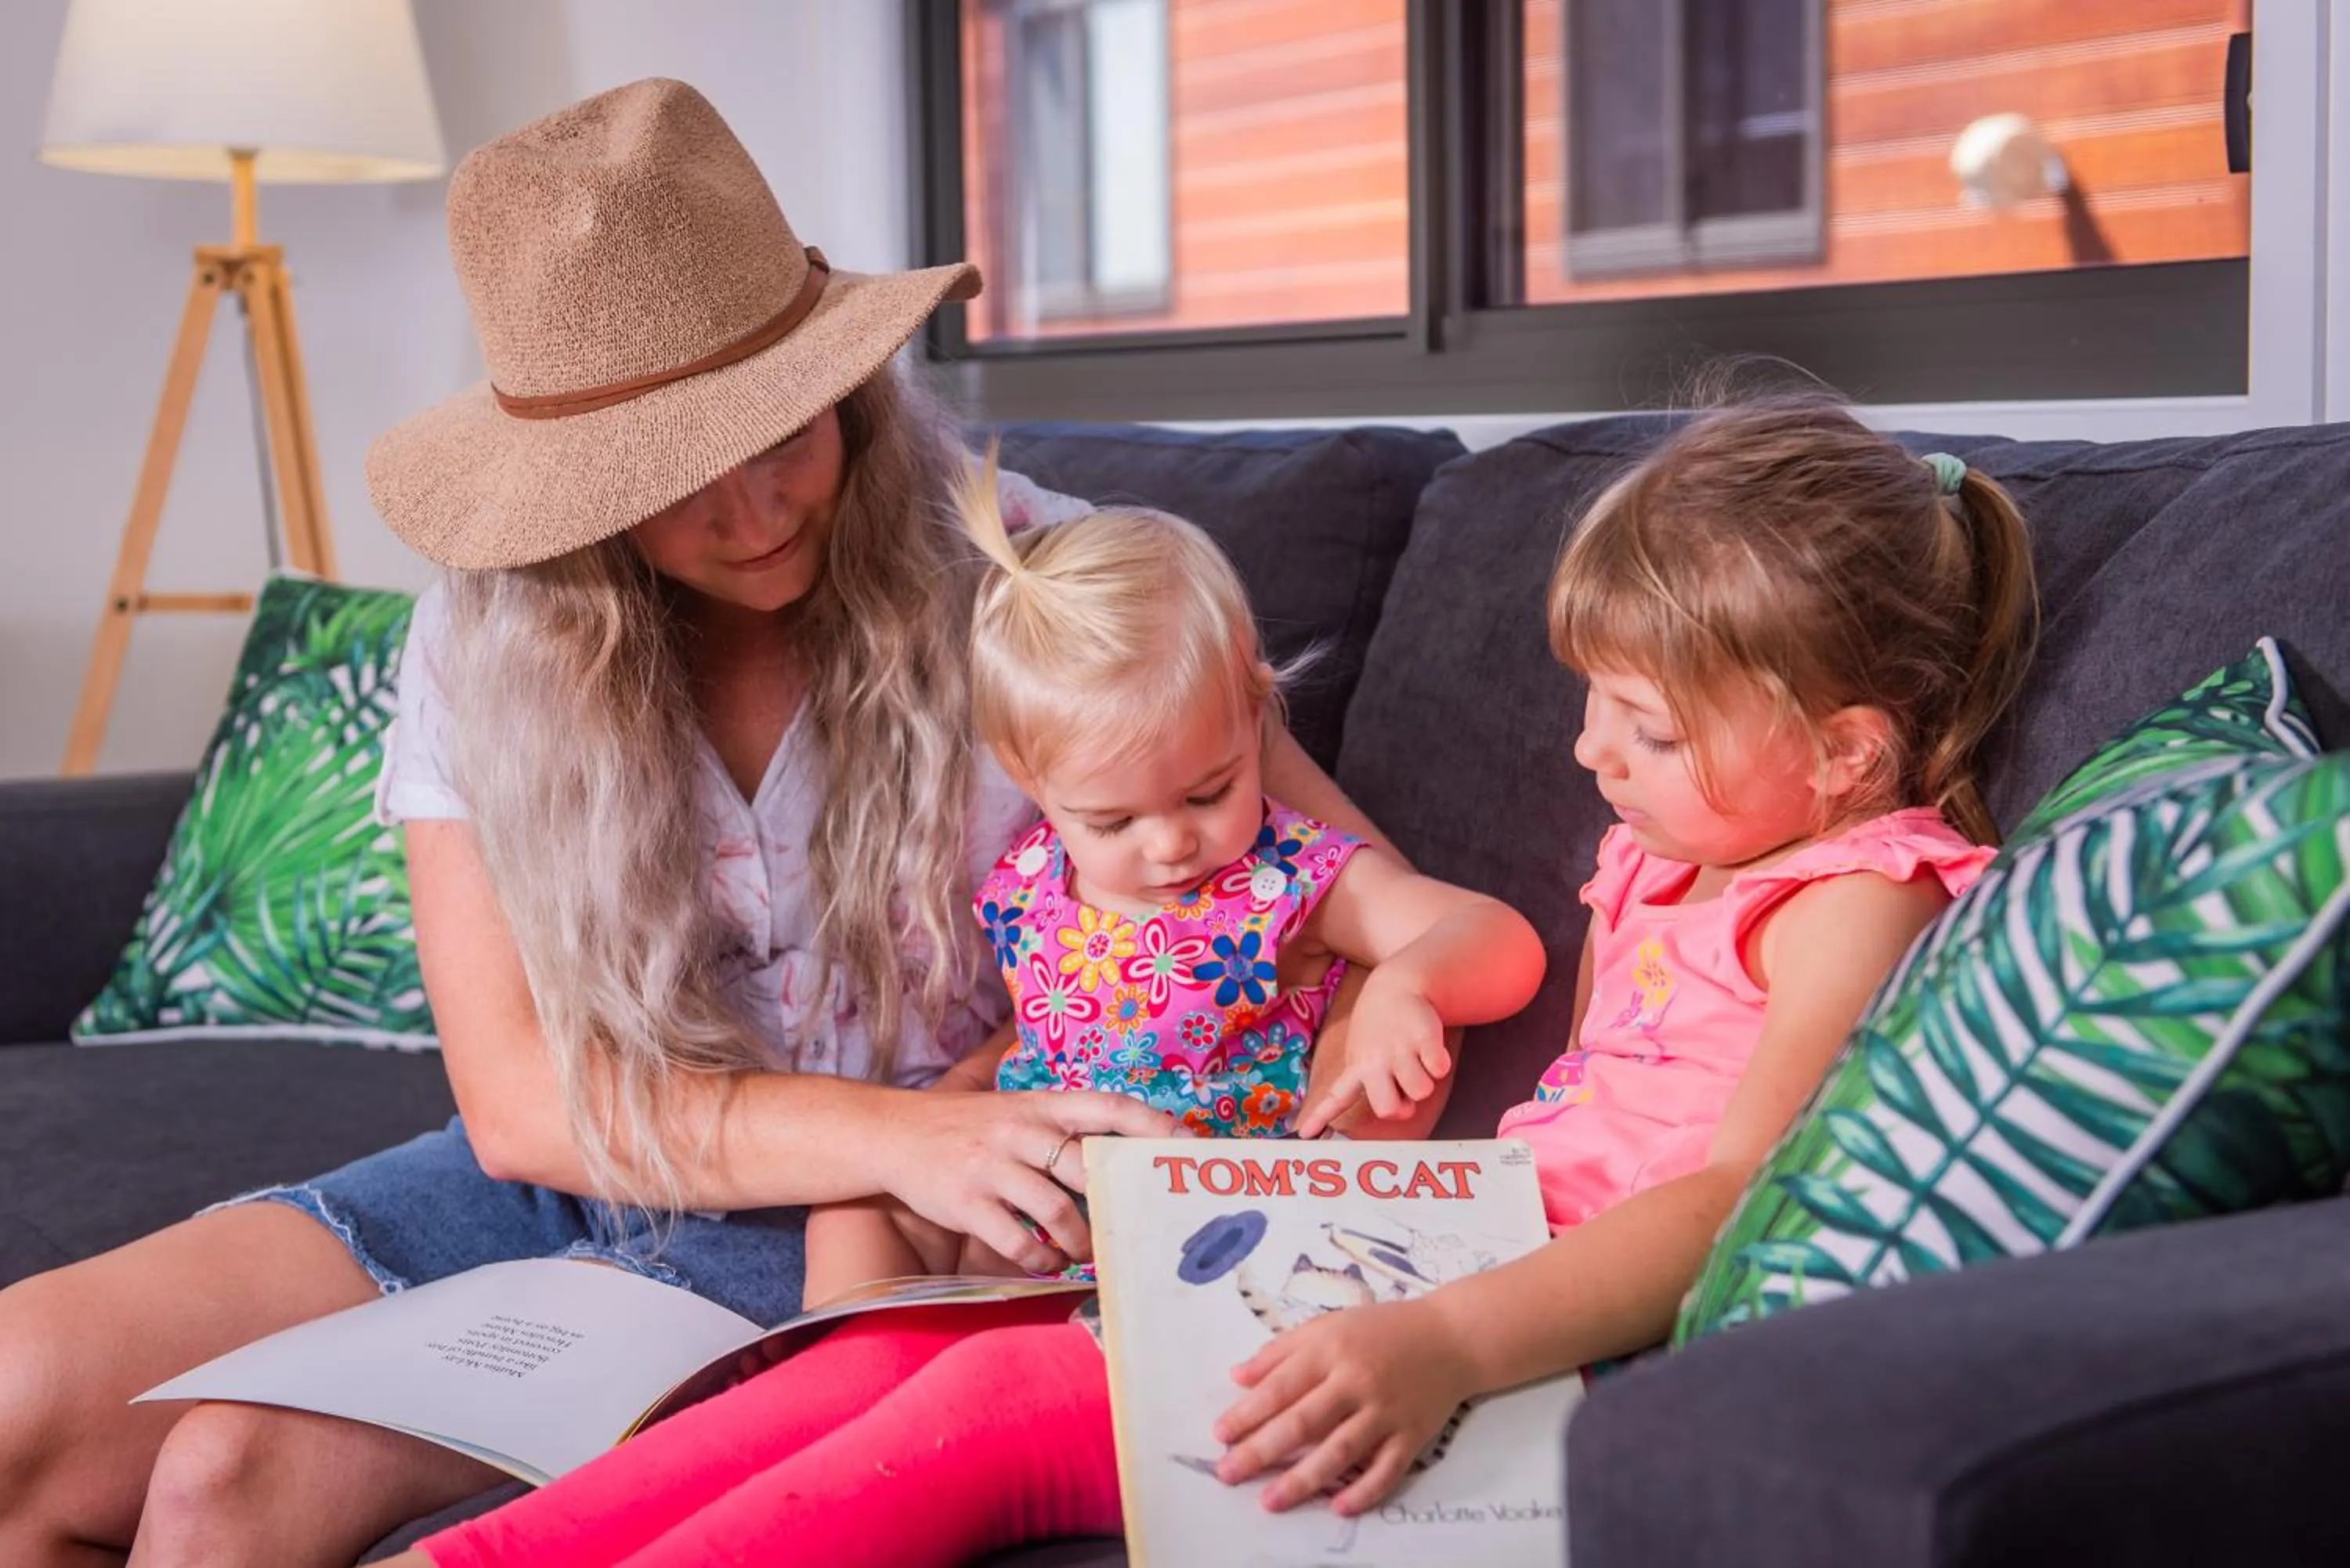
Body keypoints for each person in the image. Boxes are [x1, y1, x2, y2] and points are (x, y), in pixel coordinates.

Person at [0, 79, 1387, 1568]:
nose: (758, 505)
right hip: (583, 1171)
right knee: (21, 1392)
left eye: (783, 424)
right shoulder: (487, 648)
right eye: (674, 473)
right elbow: (524, 1106)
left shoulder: (1034, 587)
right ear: (576, 494)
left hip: (857, 1227)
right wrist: (917, 1131)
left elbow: (1349, 892)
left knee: (224, 1477)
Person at [382, 453, 1549, 1568]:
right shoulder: (1038, 877)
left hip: (1190, 1215)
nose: (1171, 843)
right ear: (1028, 778)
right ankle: (836, 1366)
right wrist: (958, 1099)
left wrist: (1406, 983)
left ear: (1255, 716)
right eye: (1112, 819)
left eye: (1208, 790)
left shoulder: (1293, 881)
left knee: (923, 1345)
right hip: (1033, 1177)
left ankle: (849, 1388)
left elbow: (1496, 941)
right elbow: (1044, 1026)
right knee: (858, 1202)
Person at [1206, 398, 2041, 1514]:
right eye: (1595, 694)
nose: (1588, 746)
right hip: (1481, 1258)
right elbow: (1574, 1102)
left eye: (1649, 727)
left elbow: (1738, 1196)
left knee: (1026, 1422)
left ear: (1844, 750)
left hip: (1580, 1332)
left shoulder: (1855, 900)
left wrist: (1447, 1335)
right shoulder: (1646, 862)